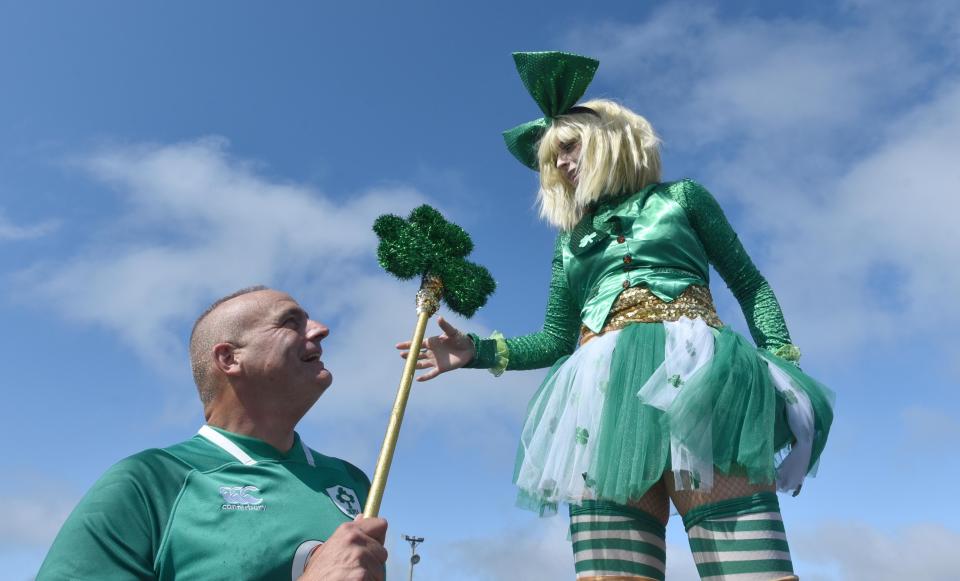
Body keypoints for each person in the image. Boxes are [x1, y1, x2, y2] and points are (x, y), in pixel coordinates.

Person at [399, 52, 833, 581]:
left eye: (568, 147)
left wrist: (780, 361)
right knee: (610, 577)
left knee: (752, 573)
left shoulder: (683, 198)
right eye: (550, 160)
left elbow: (750, 284)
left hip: (700, 377)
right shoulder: (569, 243)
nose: (560, 165)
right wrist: (477, 352)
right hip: (600, 393)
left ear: (613, 140)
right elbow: (556, 338)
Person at [38, 286, 388, 581]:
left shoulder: (351, 480)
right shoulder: (149, 481)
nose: (321, 329)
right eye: (289, 323)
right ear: (230, 358)